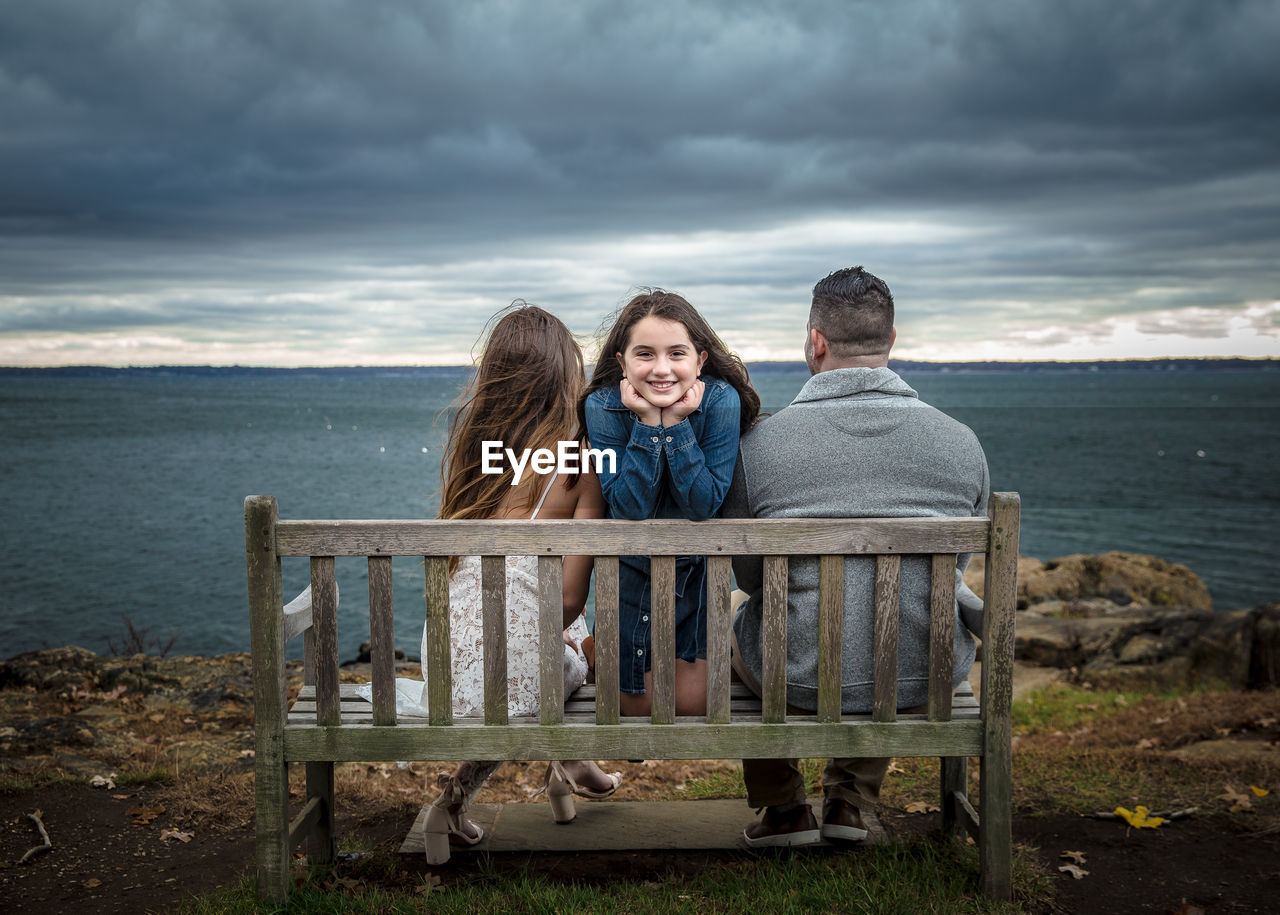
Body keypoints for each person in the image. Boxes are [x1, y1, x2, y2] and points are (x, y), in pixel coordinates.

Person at [721, 266, 990, 847]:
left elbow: (748, 576)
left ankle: (785, 809)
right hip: (924, 676)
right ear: (891, 342)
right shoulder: (962, 443)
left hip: (793, 678)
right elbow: (953, 572)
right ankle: (849, 801)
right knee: (901, 619)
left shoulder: (757, 447)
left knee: (738, 626)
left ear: (816, 342)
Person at [422, 303, 623, 865]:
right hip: (513, 677)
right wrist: (565, 637)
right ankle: (459, 802)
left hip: (443, 661)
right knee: (566, 661)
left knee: (526, 657)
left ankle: (569, 767)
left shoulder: (474, 458)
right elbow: (565, 599)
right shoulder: (582, 463)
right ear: (568, 379)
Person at [580, 290, 760, 716]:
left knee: (691, 704)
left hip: (695, 583)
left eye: (676, 353)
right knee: (634, 706)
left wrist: (674, 426)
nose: (661, 369)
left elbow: (703, 503)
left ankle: (591, 648)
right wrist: (648, 423)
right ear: (621, 362)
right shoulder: (603, 406)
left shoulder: (719, 401)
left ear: (700, 360)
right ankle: (595, 646)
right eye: (644, 354)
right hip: (629, 582)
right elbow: (629, 506)